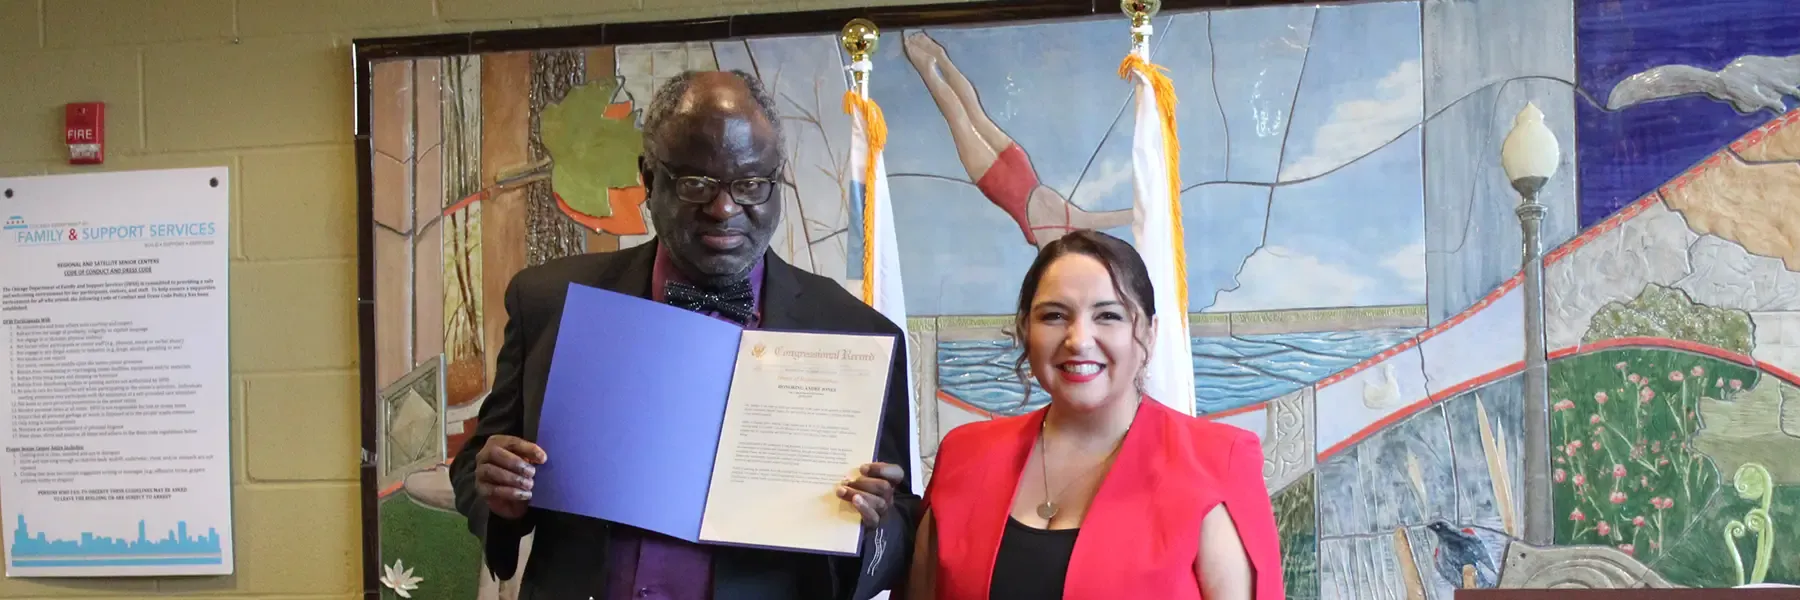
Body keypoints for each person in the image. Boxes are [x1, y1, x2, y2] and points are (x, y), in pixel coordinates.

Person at [450, 70, 920, 600]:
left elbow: (902, 519)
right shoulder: (549, 304)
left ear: (777, 182)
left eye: (750, 185)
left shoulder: (856, 334)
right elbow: (477, 463)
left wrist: (872, 520)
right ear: (649, 179)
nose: (724, 208)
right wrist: (500, 492)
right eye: (696, 184)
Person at [904, 230, 1282, 600]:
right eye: (1054, 315)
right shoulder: (965, 455)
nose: (1079, 339)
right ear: (1025, 330)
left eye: (1108, 316)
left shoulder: (1217, 461)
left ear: (1150, 333)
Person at [901, 32, 1134, 248]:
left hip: (1018, 165)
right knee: (960, 120)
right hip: (997, 180)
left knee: (975, 115)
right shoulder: (1061, 236)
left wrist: (1148, 211)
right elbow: (1113, 219)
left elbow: (1115, 217)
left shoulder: (1076, 220)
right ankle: (926, 67)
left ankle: (940, 57)